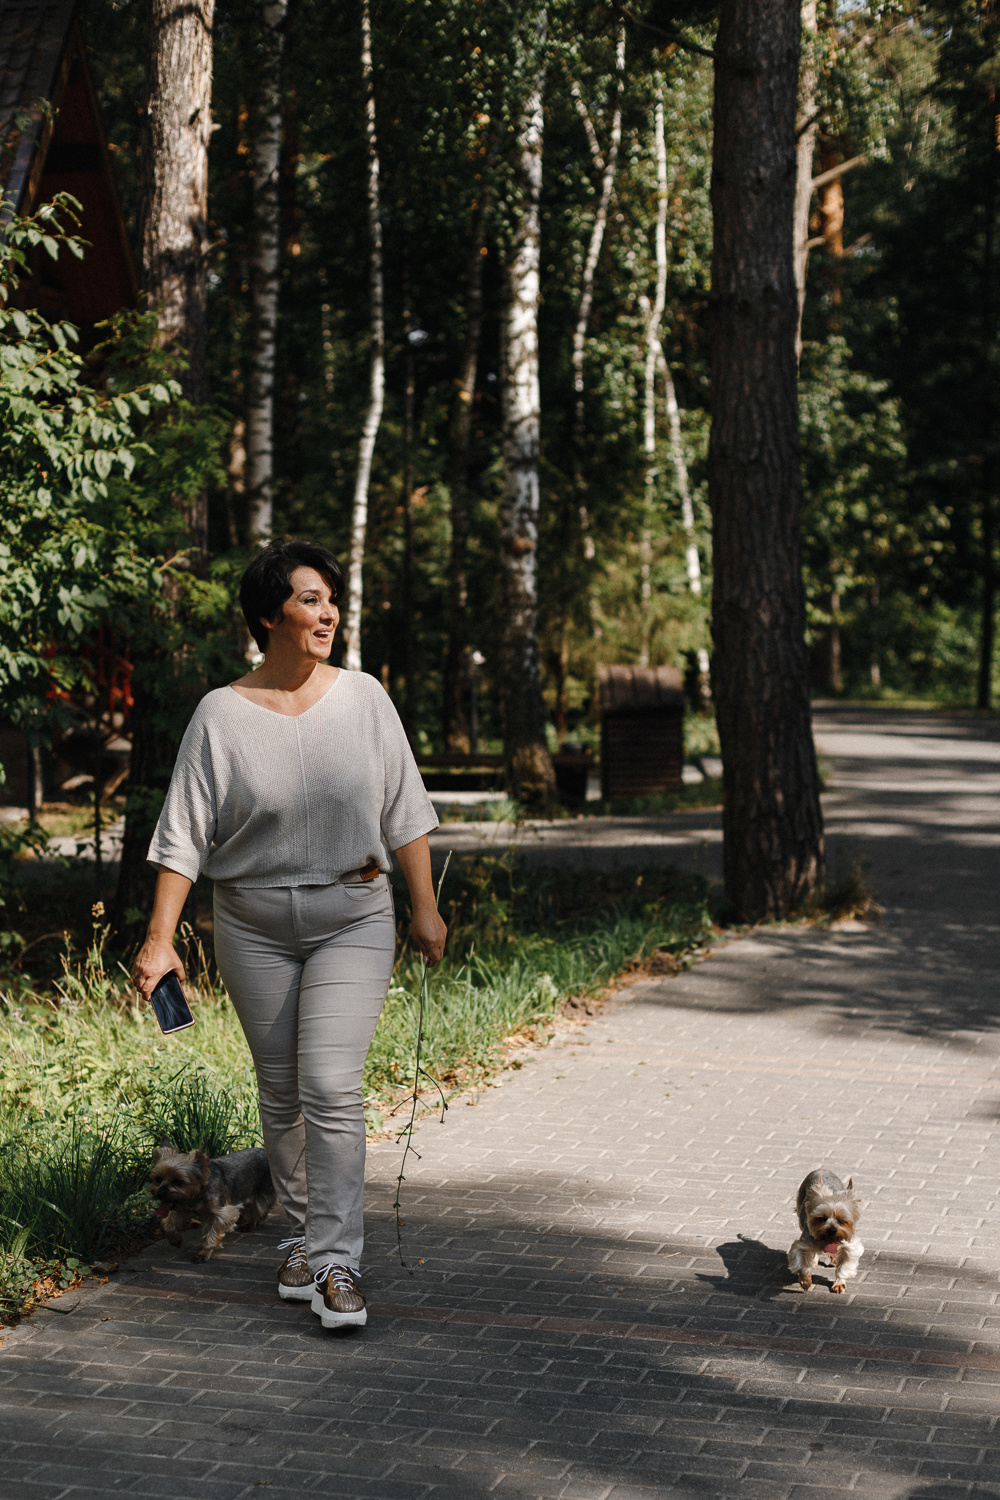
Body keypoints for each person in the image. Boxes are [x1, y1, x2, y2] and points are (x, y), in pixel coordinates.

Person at [131, 540, 446, 1330]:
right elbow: (183, 836)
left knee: (331, 1085)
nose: (328, 612)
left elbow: (405, 810)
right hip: (254, 924)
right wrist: (159, 938)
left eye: (332, 599)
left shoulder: (365, 698)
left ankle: (338, 1261)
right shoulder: (220, 715)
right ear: (269, 615)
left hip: (353, 913)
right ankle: (305, 1237)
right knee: (281, 1092)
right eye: (310, 599)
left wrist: (424, 905)